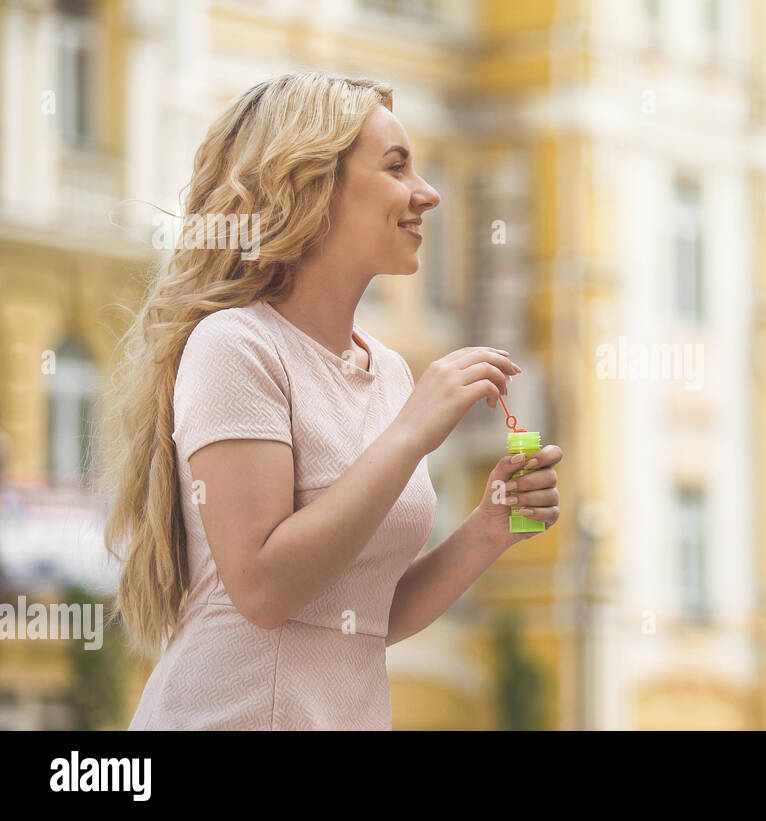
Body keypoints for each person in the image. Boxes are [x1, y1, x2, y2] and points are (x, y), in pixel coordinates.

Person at [100, 72, 562, 729]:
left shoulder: (392, 373)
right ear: (309, 184)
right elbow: (264, 588)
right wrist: (409, 435)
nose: (427, 194)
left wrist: (490, 526)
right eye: (397, 166)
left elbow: (363, 615)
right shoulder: (236, 346)